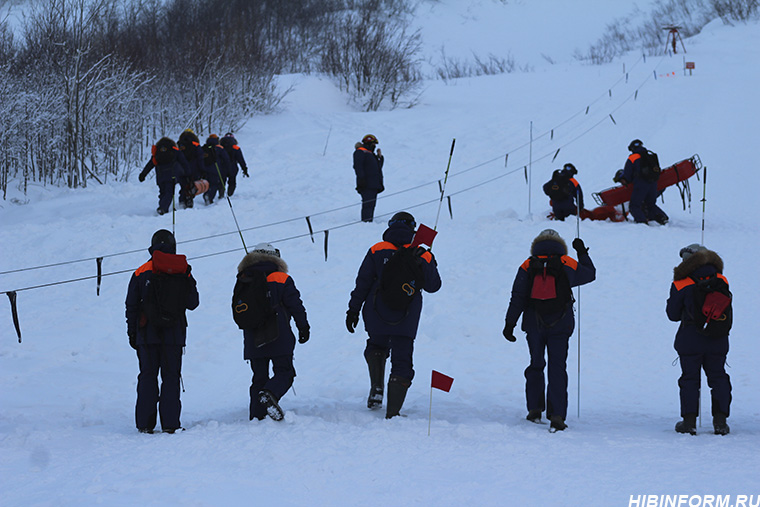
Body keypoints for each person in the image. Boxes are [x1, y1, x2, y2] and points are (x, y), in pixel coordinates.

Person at [346, 212, 441, 418]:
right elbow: (434, 286)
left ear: (390, 227)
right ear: (412, 229)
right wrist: (430, 261)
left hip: (375, 311)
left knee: (376, 346)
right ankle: (393, 412)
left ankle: (377, 387)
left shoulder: (376, 250)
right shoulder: (421, 252)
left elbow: (362, 283)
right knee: (402, 359)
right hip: (406, 316)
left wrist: (353, 309)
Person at [502, 229, 595, 431]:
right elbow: (590, 275)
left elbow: (517, 296)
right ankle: (557, 415)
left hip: (534, 323)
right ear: (560, 244)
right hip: (561, 324)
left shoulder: (528, 264)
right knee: (557, 367)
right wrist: (582, 252)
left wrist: (510, 324)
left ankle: (534, 409)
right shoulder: (566, 262)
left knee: (536, 364)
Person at [125, 230, 199, 433]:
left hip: (146, 335)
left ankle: (144, 425)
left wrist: (132, 333)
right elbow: (193, 303)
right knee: (171, 377)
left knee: (147, 376)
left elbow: (131, 306)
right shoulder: (183, 270)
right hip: (174, 335)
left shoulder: (141, 271)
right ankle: (170, 424)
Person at [236, 243, 310, 422]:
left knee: (259, 376)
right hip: (279, 334)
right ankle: (270, 394)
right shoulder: (281, 278)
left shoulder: (244, 277)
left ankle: (256, 416)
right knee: (285, 372)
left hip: (253, 336)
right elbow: (295, 305)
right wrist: (303, 326)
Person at [666, 244, 732, 435]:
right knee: (718, 377)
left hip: (690, 339)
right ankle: (720, 422)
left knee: (689, 379)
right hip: (717, 337)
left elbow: (672, 314)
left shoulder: (681, 283)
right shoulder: (721, 279)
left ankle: (689, 423)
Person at [138, 137, 190, 215]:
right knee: (169, 193)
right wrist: (188, 173)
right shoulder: (174, 150)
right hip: (171, 175)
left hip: (160, 175)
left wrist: (143, 175)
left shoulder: (157, 151)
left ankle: (162, 207)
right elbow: (183, 162)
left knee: (162, 192)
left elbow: (150, 164)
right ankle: (163, 208)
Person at [622, 139, 668, 225]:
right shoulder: (650, 156)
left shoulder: (632, 157)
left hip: (641, 184)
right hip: (653, 184)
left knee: (634, 205)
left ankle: (642, 222)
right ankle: (662, 218)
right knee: (650, 204)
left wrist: (625, 180)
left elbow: (627, 174)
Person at [353, 134, 385, 222]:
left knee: (371, 204)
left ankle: (369, 220)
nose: (375, 146)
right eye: (373, 144)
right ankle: (366, 221)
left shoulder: (371, 154)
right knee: (367, 204)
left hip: (373, 184)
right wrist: (362, 179)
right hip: (367, 184)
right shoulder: (361, 152)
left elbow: (377, 168)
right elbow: (358, 166)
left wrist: (380, 158)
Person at [177, 129, 205, 209]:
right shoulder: (196, 145)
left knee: (183, 185)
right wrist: (202, 169)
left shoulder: (179, 145)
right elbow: (200, 158)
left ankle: (182, 201)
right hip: (194, 169)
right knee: (191, 186)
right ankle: (189, 200)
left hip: (182, 169)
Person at [201, 134, 232, 204]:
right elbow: (226, 159)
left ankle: (206, 194)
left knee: (207, 183)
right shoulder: (219, 148)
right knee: (214, 184)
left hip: (205, 169)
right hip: (215, 169)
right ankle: (209, 197)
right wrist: (228, 169)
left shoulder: (204, 147)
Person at [220, 133, 249, 197]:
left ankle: (221, 194)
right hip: (232, 167)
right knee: (232, 181)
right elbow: (240, 159)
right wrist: (244, 169)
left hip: (222, 167)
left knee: (222, 181)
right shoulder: (236, 147)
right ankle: (229, 194)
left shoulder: (220, 147)